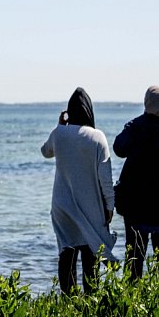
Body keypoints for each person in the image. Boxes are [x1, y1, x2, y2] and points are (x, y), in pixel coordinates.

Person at [41, 87, 116, 294]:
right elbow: (105, 179)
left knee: (67, 253)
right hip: (91, 207)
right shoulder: (97, 137)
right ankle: (90, 301)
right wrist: (110, 206)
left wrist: (60, 126)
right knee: (90, 254)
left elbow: (45, 152)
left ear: (69, 112)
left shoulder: (59, 134)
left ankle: (68, 302)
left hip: (62, 207)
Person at [113, 85, 159, 279]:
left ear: (147, 104)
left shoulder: (137, 127)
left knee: (135, 255)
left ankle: (132, 295)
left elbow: (119, 148)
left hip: (138, 202)